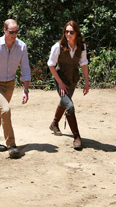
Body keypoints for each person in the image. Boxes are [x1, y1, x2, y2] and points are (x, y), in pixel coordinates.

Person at [0, 19, 30, 159]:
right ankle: (12, 145)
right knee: (6, 109)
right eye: (11, 32)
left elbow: (25, 69)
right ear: (5, 30)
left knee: (0, 112)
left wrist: (26, 90)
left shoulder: (21, 47)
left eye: (16, 32)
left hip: (10, 84)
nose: (14, 35)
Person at [47, 20, 89, 150]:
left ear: (76, 33)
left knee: (65, 101)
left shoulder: (81, 46)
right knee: (69, 106)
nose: (68, 34)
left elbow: (84, 63)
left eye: (71, 32)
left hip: (73, 79)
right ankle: (77, 137)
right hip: (61, 79)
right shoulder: (58, 46)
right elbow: (51, 65)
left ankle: (54, 124)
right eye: (66, 31)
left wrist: (86, 82)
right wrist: (60, 83)